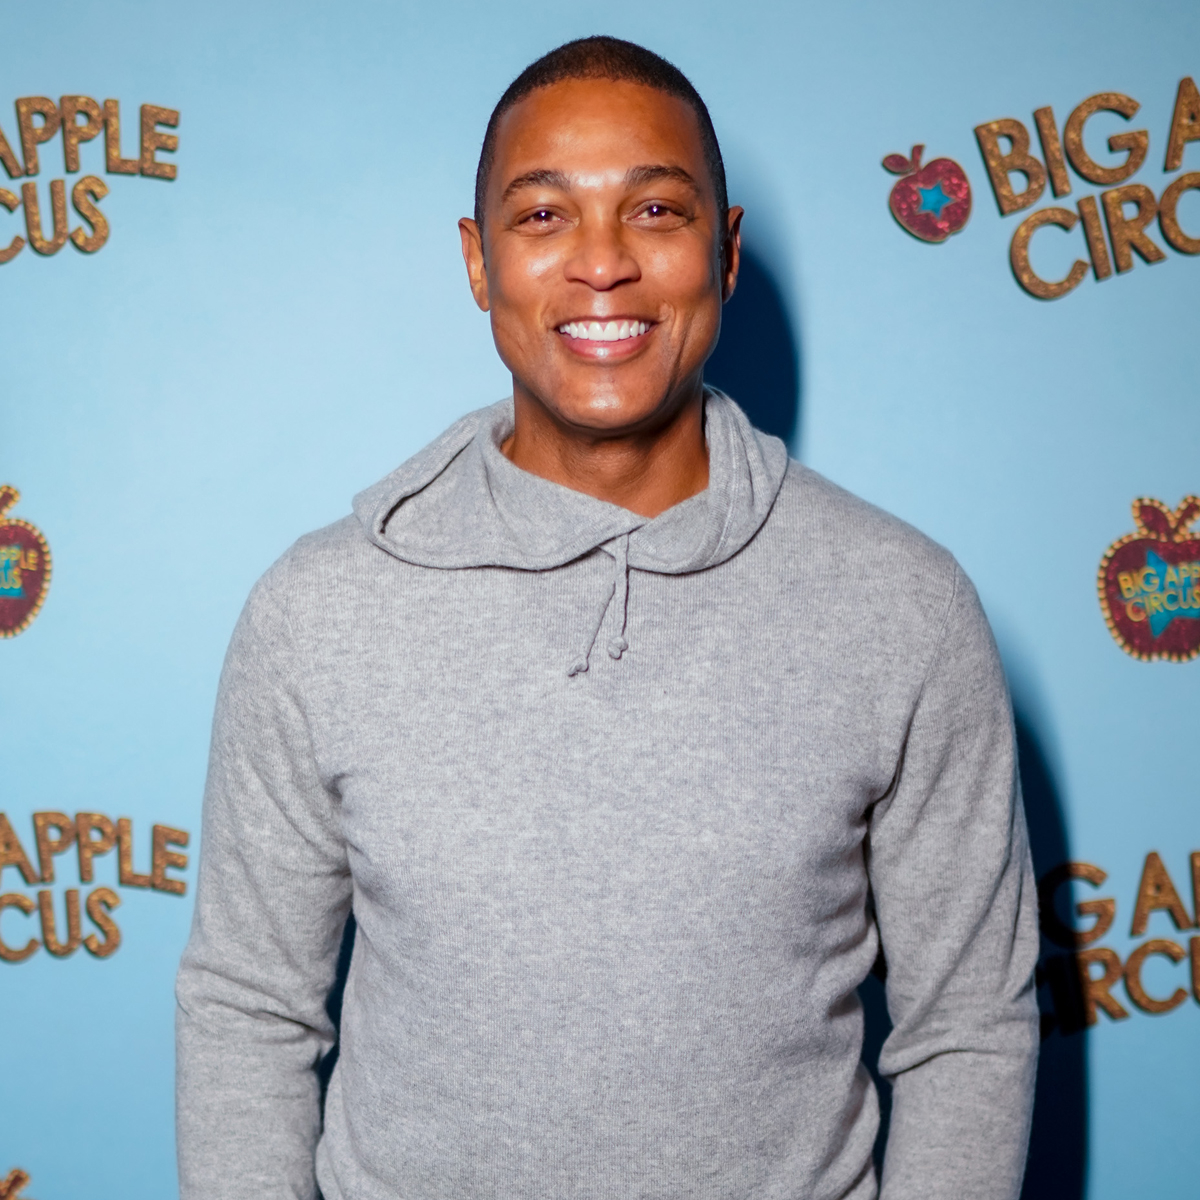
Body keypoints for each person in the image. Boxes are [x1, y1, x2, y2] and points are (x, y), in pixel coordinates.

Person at [176, 35, 1039, 1200]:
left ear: (725, 253)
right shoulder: (317, 610)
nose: (601, 265)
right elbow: (248, 1009)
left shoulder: (903, 606)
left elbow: (968, 1025)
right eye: (543, 216)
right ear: (478, 261)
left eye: (656, 212)